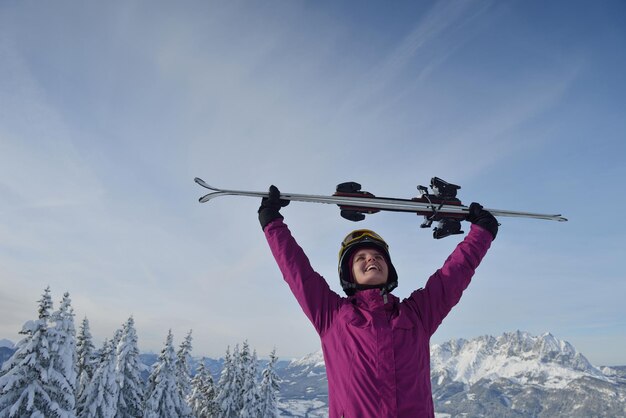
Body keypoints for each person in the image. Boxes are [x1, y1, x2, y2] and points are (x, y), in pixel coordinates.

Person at [259, 185, 498, 418]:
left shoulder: (417, 316)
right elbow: (298, 273)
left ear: (389, 269)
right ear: (348, 274)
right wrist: (272, 224)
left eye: (377, 256)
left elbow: (452, 277)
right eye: (360, 258)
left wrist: (481, 234)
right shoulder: (332, 316)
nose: (371, 260)